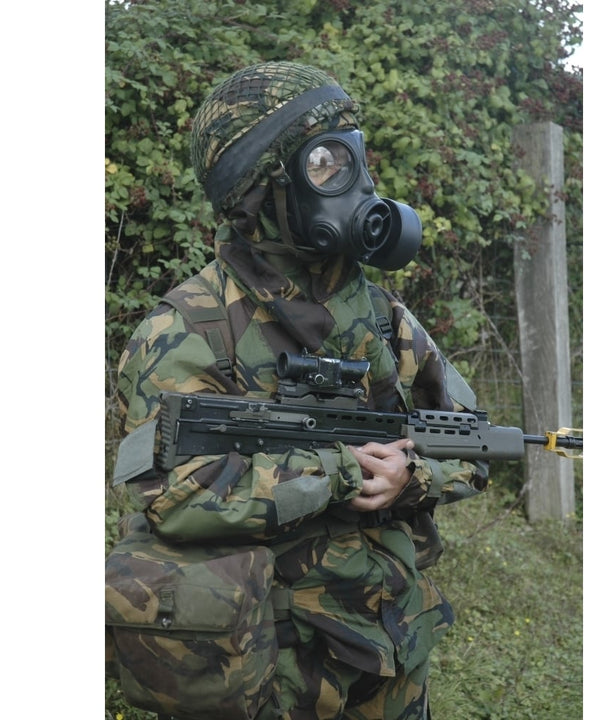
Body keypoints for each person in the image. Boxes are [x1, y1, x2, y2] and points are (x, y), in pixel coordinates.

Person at [112, 61, 488, 720]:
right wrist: (339, 472)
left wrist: (412, 475)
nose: (359, 185)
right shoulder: (184, 330)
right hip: (269, 675)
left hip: (390, 657)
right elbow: (170, 494)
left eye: (354, 158)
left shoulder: (381, 315)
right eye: (326, 164)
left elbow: (471, 440)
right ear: (262, 192)